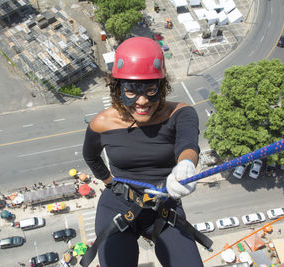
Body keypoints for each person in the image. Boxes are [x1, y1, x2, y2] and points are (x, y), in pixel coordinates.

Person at [82, 37, 209, 267]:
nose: (142, 101)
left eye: (150, 91)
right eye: (132, 92)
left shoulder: (180, 113)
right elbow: (91, 156)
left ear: (162, 87)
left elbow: (187, 146)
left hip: (164, 206)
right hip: (119, 203)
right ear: (118, 89)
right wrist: (111, 182)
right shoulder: (102, 124)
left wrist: (186, 165)